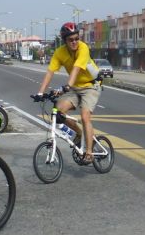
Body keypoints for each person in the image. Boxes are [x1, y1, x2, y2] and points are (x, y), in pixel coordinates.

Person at [34, 22, 102, 164]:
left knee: (85, 117)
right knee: (58, 113)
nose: (74, 42)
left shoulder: (83, 48)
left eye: (76, 38)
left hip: (91, 86)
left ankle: (89, 152)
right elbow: (50, 72)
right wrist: (40, 93)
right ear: (64, 40)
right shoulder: (60, 52)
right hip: (75, 88)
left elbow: (76, 69)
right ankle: (80, 133)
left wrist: (66, 86)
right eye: (71, 40)